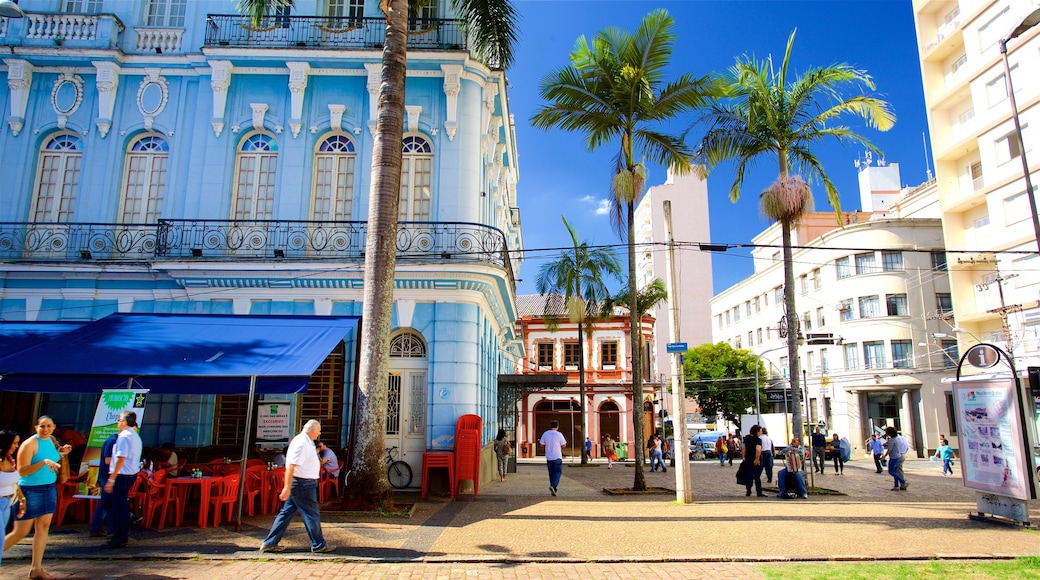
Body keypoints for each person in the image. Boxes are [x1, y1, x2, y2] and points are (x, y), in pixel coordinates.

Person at [4, 415, 72, 580]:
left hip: (49, 487)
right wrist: (43, 462)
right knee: (21, 532)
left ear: (54, 427)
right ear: (36, 427)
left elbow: (54, 459)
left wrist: (62, 453)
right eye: (42, 426)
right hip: (29, 490)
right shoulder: (29, 444)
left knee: (44, 528)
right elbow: (22, 471)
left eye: (49, 426)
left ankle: (36, 568)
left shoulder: (52, 441)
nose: (46, 429)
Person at [260, 420, 334, 554]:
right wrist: (287, 487)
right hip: (302, 483)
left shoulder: (307, 441)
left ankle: (270, 542)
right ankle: (318, 544)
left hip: (304, 482)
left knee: (287, 513)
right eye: (318, 431)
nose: (319, 433)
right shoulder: (301, 442)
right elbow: (291, 466)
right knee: (311, 513)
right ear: (312, 430)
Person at [103, 410, 142, 550]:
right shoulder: (134, 436)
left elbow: (121, 458)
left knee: (118, 507)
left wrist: (112, 479)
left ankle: (120, 537)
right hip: (129, 474)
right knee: (115, 505)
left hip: (122, 475)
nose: (118, 422)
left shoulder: (125, 437)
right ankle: (118, 534)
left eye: (119, 420)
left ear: (124, 422)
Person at [1, 429, 27, 568]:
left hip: (7, 503)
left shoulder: (9, 459)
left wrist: (22, 499)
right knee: (0, 540)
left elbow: (14, 483)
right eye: (14, 443)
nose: (17, 446)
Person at [88, 431, 119, 538]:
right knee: (106, 504)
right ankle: (97, 528)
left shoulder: (114, 440)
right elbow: (108, 460)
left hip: (108, 476)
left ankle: (110, 528)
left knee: (108, 504)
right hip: (107, 476)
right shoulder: (112, 441)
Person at [538, 420, 566, 496]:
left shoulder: (545, 434)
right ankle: (553, 486)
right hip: (557, 456)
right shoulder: (559, 434)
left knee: (551, 473)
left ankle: (553, 487)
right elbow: (564, 445)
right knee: (557, 472)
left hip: (549, 457)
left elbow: (541, 444)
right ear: (557, 426)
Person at [740, 425, 765, 497]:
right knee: (757, 476)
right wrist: (757, 459)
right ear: (756, 431)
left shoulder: (746, 438)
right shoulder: (758, 440)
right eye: (760, 431)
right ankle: (759, 492)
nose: (761, 433)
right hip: (756, 459)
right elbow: (758, 450)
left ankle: (748, 491)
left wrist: (744, 457)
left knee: (749, 475)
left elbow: (744, 448)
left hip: (748, 458)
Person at [882, 426, 909, 491]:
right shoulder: (901, 438)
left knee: (893, 471)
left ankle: (903, 483)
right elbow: (907, 447)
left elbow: (889, 450)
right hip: (901, 454)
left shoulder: (892, 440)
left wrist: (884, 457)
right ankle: (896, 485)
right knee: (896, 470)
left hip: (895, 456)